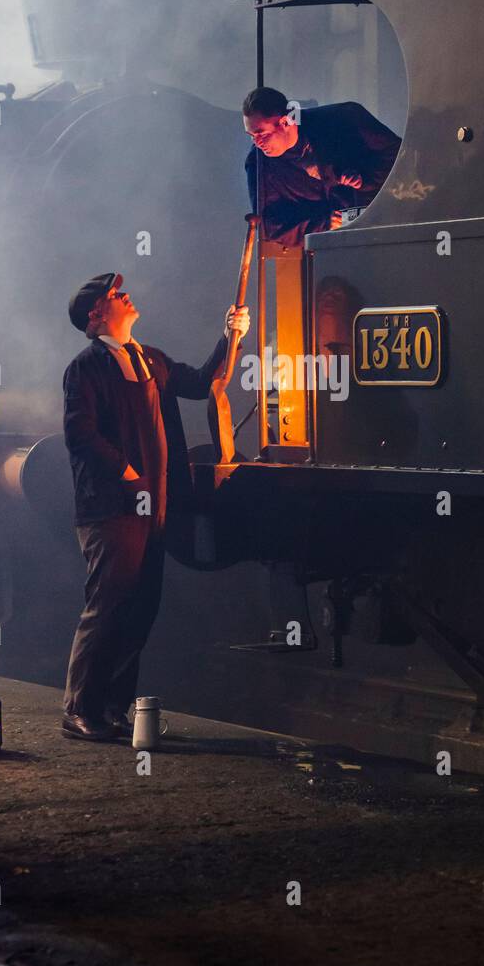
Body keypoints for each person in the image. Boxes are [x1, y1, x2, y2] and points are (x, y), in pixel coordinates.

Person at [61, 272, 249, 741]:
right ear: (96, 316)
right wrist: (128, 474)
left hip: (156, 509)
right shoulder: (86, 368)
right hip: (111, 510)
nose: (126, 296)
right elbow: (80, 435)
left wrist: (232, 337)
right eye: (115, 296)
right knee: (107, 607)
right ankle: (78, 709)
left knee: (141, 608)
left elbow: (206, 381)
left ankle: (113, 709)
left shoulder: (150, 359)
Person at [243, 86, 401, 248]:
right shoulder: (258, 163)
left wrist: (366, 180)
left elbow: (398, 155)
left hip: (382, 233)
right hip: (324, 252)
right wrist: (323, 224)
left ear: (285, 122)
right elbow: (270, 225)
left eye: (262, 134)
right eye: (252, 136)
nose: (258, 143)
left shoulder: (344, 119)